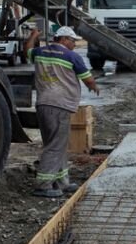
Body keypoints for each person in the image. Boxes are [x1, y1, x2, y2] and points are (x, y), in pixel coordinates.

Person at [24, 26, 100, 197]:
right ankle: (43, 185)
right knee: (55, 146)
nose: (74, 44)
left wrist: (33, 35)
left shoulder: (39, 52)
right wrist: (94, 86)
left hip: (43, 104)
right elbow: (87, 79)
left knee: (57, 144)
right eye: (73, 41)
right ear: (64, 39)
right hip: (59, 105)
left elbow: (27, 51)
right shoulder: (71, 56)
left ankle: (62, 182)